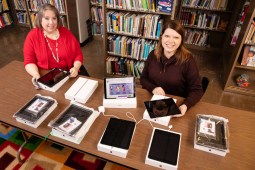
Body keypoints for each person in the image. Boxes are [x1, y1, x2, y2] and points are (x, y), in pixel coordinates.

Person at [140, 20, 203, 117]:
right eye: (167, 36)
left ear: (181, 40)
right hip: (153, 101)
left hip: (176, 105)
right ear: (161, 37)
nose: (170, 41)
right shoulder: (152, 55)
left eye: (176, 37)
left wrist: (185, 105)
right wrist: (153, 88)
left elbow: (197, 90)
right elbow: (143, 78)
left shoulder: (188, 61)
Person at [23, 4, 84, 87]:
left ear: (58, 20)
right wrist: (36, 74)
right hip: (46, 75)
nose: (51, 22)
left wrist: (76, 68)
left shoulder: (66, 33)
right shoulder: (32, 36)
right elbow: (29, 61)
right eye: (47, 18)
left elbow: (78, 54)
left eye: (54, 18)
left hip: (69, 73)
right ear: (40, 20)